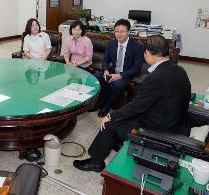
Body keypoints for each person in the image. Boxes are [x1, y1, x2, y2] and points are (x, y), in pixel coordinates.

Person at [73, 35, 191, 172]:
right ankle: (117, 141)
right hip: (176, 120)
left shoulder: (155, 78)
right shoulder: (179, 69)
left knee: (109, 125)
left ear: (148, 53)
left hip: (160, 126)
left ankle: (96, 162)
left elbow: (136, 107)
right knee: (123, 116)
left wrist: (111, 116)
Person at [93, 19, 144, 117]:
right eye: (116, 31)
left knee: (117, 85)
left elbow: (137, 68)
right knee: (96, 77)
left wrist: (120, 75)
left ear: (128, 32)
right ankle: (97, 103)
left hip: (126, 73)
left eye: (122, 31)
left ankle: (106, 107)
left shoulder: (137, 46)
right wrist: (106, 70)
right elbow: (105, 60)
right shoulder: (112, 43)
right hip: (112, 71)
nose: (119, 34)